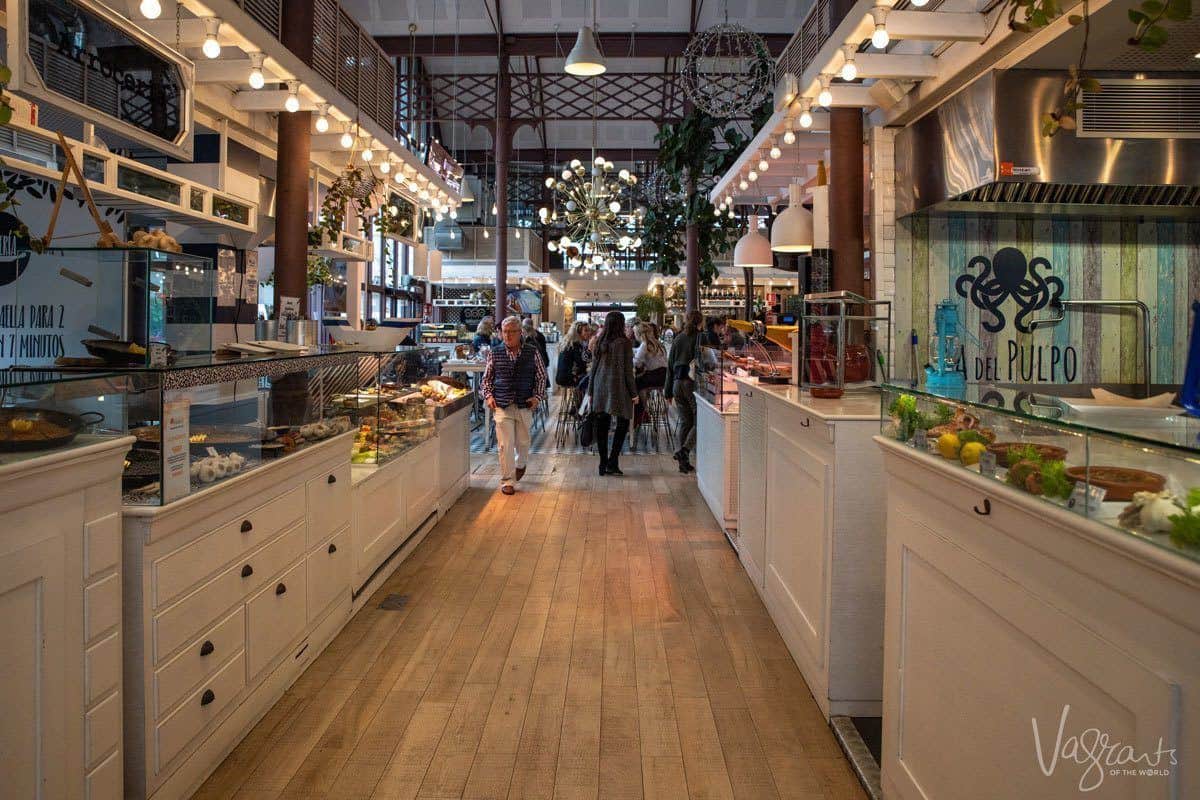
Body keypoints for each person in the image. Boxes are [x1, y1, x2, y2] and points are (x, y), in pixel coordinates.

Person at [481, 316, 547, 495]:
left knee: (523, 442)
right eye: (504, 332)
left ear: (520, 333)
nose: (508, 336)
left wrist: (538, 396)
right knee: (505, 444)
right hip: (502, 404)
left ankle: (521, 463)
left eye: (512, 332)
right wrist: (488, 396)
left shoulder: (532, 351)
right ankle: (507, 480)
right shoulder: (495, 353)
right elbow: (486, 379)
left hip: (525, 403)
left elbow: (541, 376)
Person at [589, 310, 638, 476]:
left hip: (600, 387)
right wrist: (634, 393)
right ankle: (613, 460)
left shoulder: (599, 341)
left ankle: (603, 462)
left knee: (602, 424)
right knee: (623, 422)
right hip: (618, 387)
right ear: (620, 324)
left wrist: (590, 391)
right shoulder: (624, 343)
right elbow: (628, 371)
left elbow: (593, 369)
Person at [664, 310, 702, 474]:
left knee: (686, 422)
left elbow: (670, 365)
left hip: (676, 384)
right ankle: (685, 451)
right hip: (691, 383)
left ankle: (683, 462)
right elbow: (704, 361)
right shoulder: (700, 337)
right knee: (699, 420)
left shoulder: (678, 338)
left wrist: (667, 392)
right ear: (701, 322)